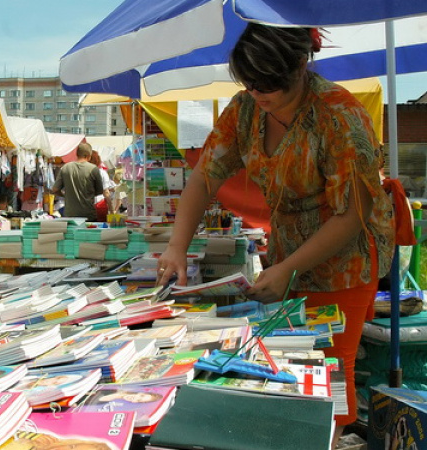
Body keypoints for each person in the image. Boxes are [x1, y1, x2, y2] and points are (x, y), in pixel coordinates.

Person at [156, 23, 393, 447]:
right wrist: (176, 247)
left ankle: (328, 438)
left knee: (329, 367)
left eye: (268, 84)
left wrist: (288, 268)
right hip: (287, 250)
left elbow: (353, 215)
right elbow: (205, 177)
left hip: (345, 259)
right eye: (249, 82)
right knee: (287, 358)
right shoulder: (245, 108)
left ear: (300, 65)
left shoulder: (339, 115)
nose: (258, 93)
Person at [51, 143, 105, 221]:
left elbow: (55, 190)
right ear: (88, 156)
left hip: (70, 214)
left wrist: (65, 195)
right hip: (88, 214)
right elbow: (100, 191)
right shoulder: (93, 169)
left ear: (77, 154)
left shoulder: (65, 168)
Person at [89, 150, 113, 221]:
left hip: (85, 206)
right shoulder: (102, 172)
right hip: (99, 204)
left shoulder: (81, 172)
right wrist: (111, 210)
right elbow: (106, 192)